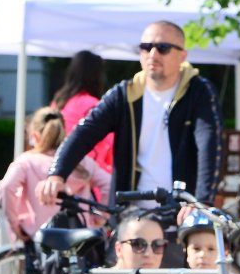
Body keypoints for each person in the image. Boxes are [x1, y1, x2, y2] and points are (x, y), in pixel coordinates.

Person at [38, 22, 220, 208]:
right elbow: (84, 133)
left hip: (181, 211)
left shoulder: (199, 92)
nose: (152, 54)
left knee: (201, 237)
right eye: (145, 47)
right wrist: (56, 174)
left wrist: (201, 202)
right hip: (131, 212)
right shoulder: (125, 94)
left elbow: (208, 146)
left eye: (162, 48)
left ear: (182, 55)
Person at [0, 108, 110, 241]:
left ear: (35, 136)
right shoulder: (82, 161)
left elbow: (6, 186)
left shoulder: (26, 161)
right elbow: (109, 184)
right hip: (80, 235)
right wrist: (100, 217)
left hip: (40, 236)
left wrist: (15, 225)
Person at [51, 49, 113, 177]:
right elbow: (111, 143)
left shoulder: (58, 102)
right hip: (86, 174)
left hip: (57, 168)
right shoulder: (93, 105)